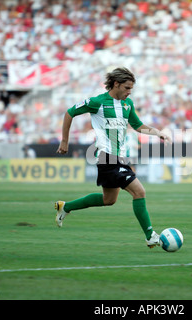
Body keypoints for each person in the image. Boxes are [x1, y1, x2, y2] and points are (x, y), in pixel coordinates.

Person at [55, 67, 172, 248]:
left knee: (108, 200)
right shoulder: (98, 102)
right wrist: (64, 141)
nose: (129, 92)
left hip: (119, 158)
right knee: (139, 192)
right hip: (105, 157)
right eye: (126, 88)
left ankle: (66, 207)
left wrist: (158, 133)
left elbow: (137, 124)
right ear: (116, 84)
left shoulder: (128, 104)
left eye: (131, 89)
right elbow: (70, 112)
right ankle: (150, 235)